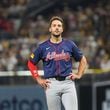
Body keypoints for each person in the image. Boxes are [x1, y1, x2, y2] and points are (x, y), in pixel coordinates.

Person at [27, 16, 87, 110]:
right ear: (50, 29)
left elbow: (83, 60)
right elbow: (31, 63)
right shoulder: (42, 47)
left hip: (68, 83)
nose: (57, 27)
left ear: (62, 29)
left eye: (59, 26)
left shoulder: (69, 44)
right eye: (54, 25)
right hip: (51, 84)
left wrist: (79, 74)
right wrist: (38, 79)